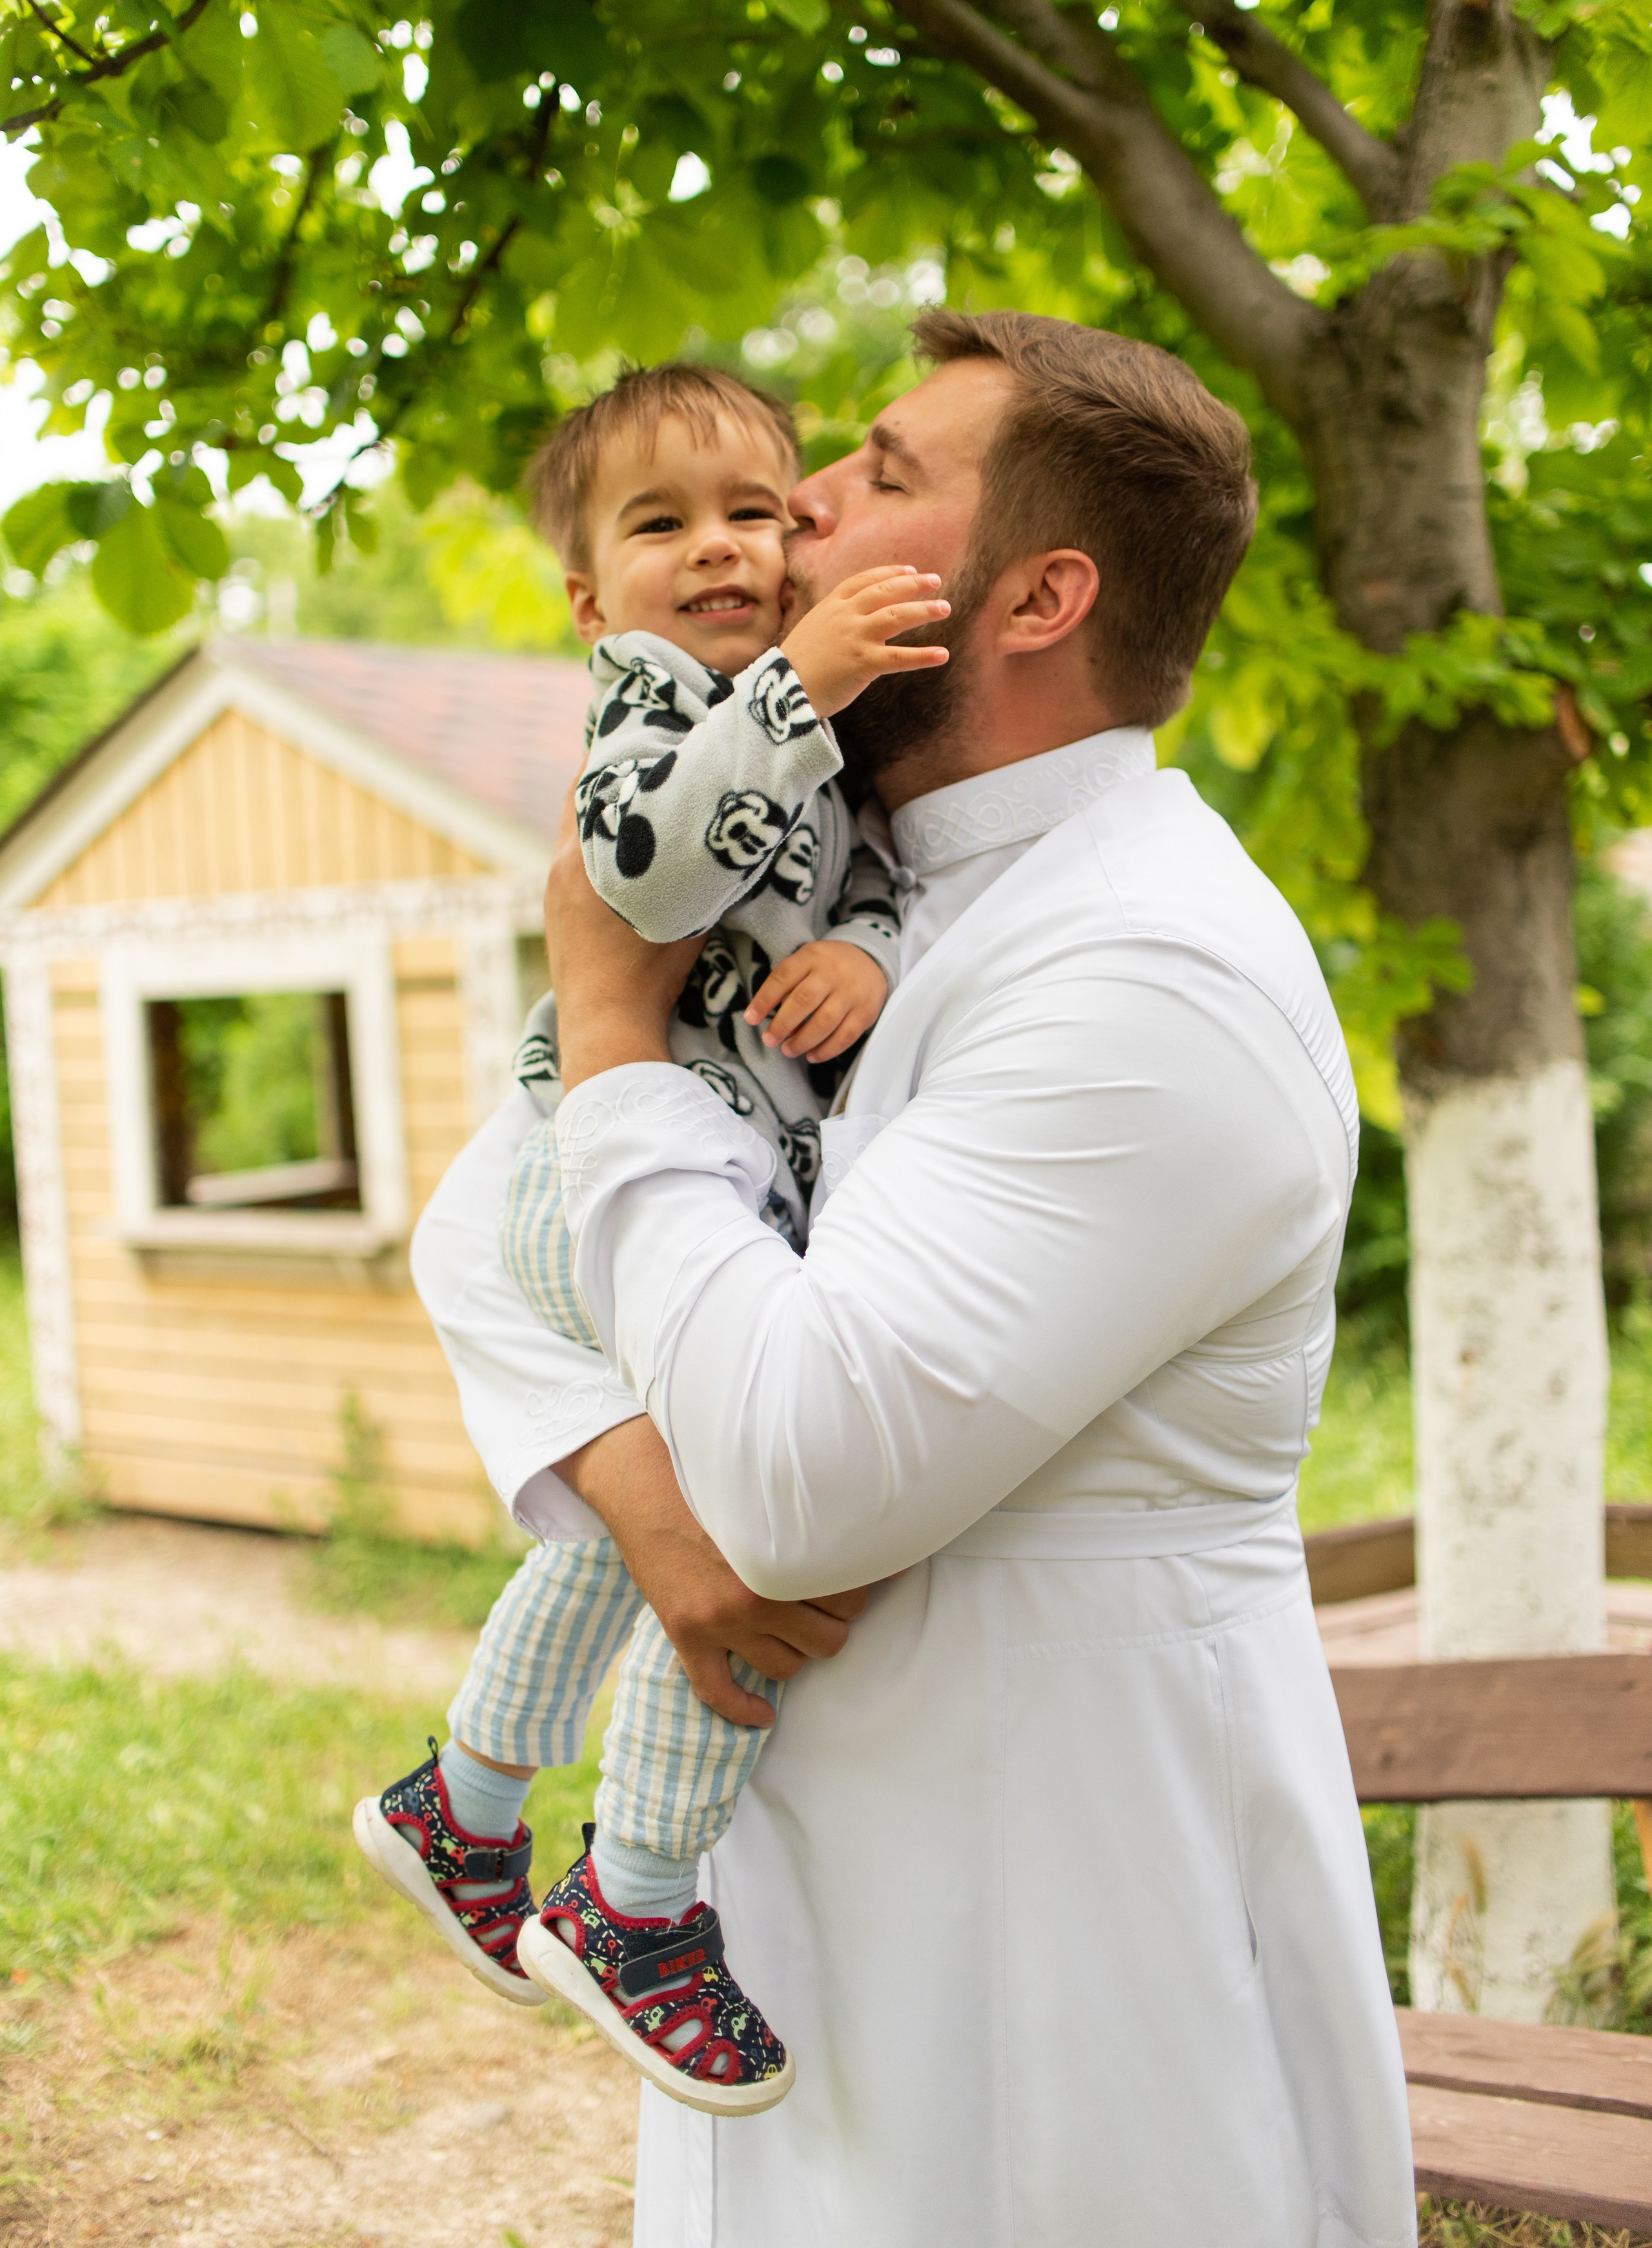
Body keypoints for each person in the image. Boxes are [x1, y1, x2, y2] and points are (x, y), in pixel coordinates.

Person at [415, 310, 1418, 2247]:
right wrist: (638, 1497)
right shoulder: (850, 866)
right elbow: (490, 1222)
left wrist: (616, 1033)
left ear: (1037, 593)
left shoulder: (1150, 967)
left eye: (880, 472)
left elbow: (799, 1478)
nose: (798, 501)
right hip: (807, 1874)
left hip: (1059, 1897)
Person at [354, 363, 951, 2112]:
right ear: (588, 594)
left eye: (758, 512)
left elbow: (843, 881)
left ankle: (463, 1803)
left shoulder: (795, 724)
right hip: (603, 1162)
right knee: (740, 1519)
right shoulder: (653, 716)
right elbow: (658, 877)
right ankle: (636, 1893)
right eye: (662, 521)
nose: (722, 550)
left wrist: (878, 958)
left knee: (635, 1544)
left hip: (694, 1167)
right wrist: (801, 677)